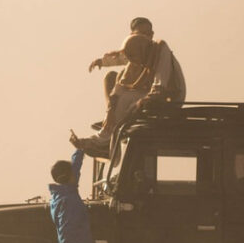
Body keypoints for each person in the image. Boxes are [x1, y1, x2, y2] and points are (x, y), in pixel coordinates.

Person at [77, 17, 186, 157]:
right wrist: (111, 111)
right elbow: (124, 67)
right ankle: (106, 133)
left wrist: (141, 101)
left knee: (129, 102)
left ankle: (107, 138)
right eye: (141, 35)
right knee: (116, 87)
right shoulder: (137, 51)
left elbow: (160, 85)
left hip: (170, 96)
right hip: (151, 92)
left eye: (148, 34)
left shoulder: (160, 49)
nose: (146, 38)